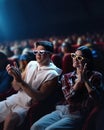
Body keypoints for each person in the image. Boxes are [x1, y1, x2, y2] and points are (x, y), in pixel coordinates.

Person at [30, 45, 103, 130]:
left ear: (87, 61)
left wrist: (85, 80)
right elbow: (69, 99)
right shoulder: (66, 77)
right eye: (74, 56)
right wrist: (78, 83)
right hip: (62, 110)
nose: (75, 59)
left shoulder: (95, 76)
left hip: (78, 114)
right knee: (35, 127)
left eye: (79, 58)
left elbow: (97, 100)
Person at [0, 41, 62, 130]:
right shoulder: (31, 64)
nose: (38, 55)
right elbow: (16, 87)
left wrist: (21, 82)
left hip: (28, 106)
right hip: (17, 98)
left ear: (49, 54)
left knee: (10, 120)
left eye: (41, 52)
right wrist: (15, 77)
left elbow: (40, 97)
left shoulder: (53, 74)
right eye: (36, 52)